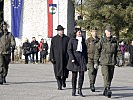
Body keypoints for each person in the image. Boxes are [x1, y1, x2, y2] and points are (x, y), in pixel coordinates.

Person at [94, 26, 122, 98]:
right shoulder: (102, 40)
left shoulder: (114, 40)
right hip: (104, 61)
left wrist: (120, 59)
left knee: (110, 76)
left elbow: (118, 51)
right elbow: (97, 51)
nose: (109, 33)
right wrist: (96, 62)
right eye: (108, 31)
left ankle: (105, 89)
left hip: (112, 61)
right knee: (106, 76)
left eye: (110, 32)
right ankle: (107, 89)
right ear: (105, 32)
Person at [67, 27, 88, 97]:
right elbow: (69, 50)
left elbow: (85, 51)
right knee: (74, 75)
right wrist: (72, 58)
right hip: (75, 58)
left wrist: (86, 60)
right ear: (75, 33)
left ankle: (80, 90)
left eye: (80, 32)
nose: (80, 33)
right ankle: (73, 90)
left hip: (81, 58)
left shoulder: (83, 40)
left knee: (81, 75)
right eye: (78, 32)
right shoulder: (72, 40)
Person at [50, 25, 70, 90]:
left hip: (65, 58)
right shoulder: (54, 39)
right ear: (58, 31)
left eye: (62, 30)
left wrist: (70, 57)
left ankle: (63, 80)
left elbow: (69, 48)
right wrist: (52, 57)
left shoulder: (67, 38)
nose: (61, 31)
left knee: (65, 71)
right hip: (57, 58)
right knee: (57, 72)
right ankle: (59, 83)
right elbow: (51, 49)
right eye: (60, 30)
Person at [86, 27, 100, 92]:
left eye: (95, 31)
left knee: (95, 72)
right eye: (93, 31)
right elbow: (85, 49)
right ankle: (91, 84)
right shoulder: (88, 40)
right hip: (90, 58)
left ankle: (93, 83)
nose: (94, 33)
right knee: (91, 71)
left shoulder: (99, 40)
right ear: (91, 33)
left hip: (97, 59)